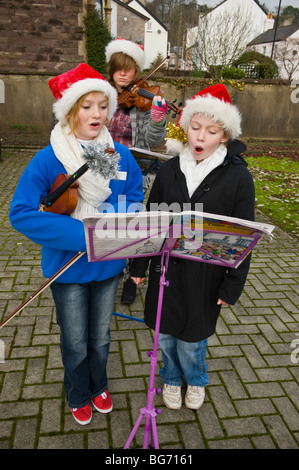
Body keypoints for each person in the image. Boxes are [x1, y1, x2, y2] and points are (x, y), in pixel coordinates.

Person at [9, 63, 144, 425]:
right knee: (75, 341)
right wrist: (83, 235)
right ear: (70, 111)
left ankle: (98, 385)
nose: (97, 113)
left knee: (99, 337)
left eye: (103, 105)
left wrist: (117, 218)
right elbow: (20, 213)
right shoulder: (48, 157)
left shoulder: (121, 154)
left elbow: (133, 195)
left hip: (107, 264)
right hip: (67, 268)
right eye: (87, 106)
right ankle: (77, 391)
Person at [131, 84, 255, 411]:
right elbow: (152, 218)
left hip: (206, 274)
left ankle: (196, 378)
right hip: (167, 269)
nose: (200, 137)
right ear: (185, 127)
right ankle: (171, 377)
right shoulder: (170, 169)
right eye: (195, 128)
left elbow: (243, 236)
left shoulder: (238, 177)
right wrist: (140, 267)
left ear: (224, 135)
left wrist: (232, 286)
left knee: (192, 340)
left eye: (211, 131)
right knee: (166, 335)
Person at [105, 38, 168, 304]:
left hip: (134, 173)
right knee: (107, 222)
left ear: (136, 72)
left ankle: (132, 276)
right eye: (118, 68)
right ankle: (111, 269)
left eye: (128, 69)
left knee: (131, 224)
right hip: (103, 171)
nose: (122, 73)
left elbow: (154, 140)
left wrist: (158, 118)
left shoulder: (143, 99)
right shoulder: (102, 97)